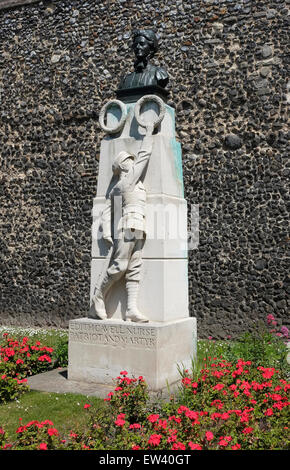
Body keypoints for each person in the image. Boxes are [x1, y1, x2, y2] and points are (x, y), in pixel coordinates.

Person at [89, 124, 154, 322]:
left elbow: (108, 210)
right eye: (129, 161)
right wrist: (149, 133)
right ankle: (98, 296)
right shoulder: (127, 182)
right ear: (124, 165)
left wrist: (107, 232)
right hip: (129, 225)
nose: (133, 163)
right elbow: (144, 155)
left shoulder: (121, 186)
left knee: (134, 266)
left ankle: (131, 309)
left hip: (137, 225)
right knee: (119, 266)